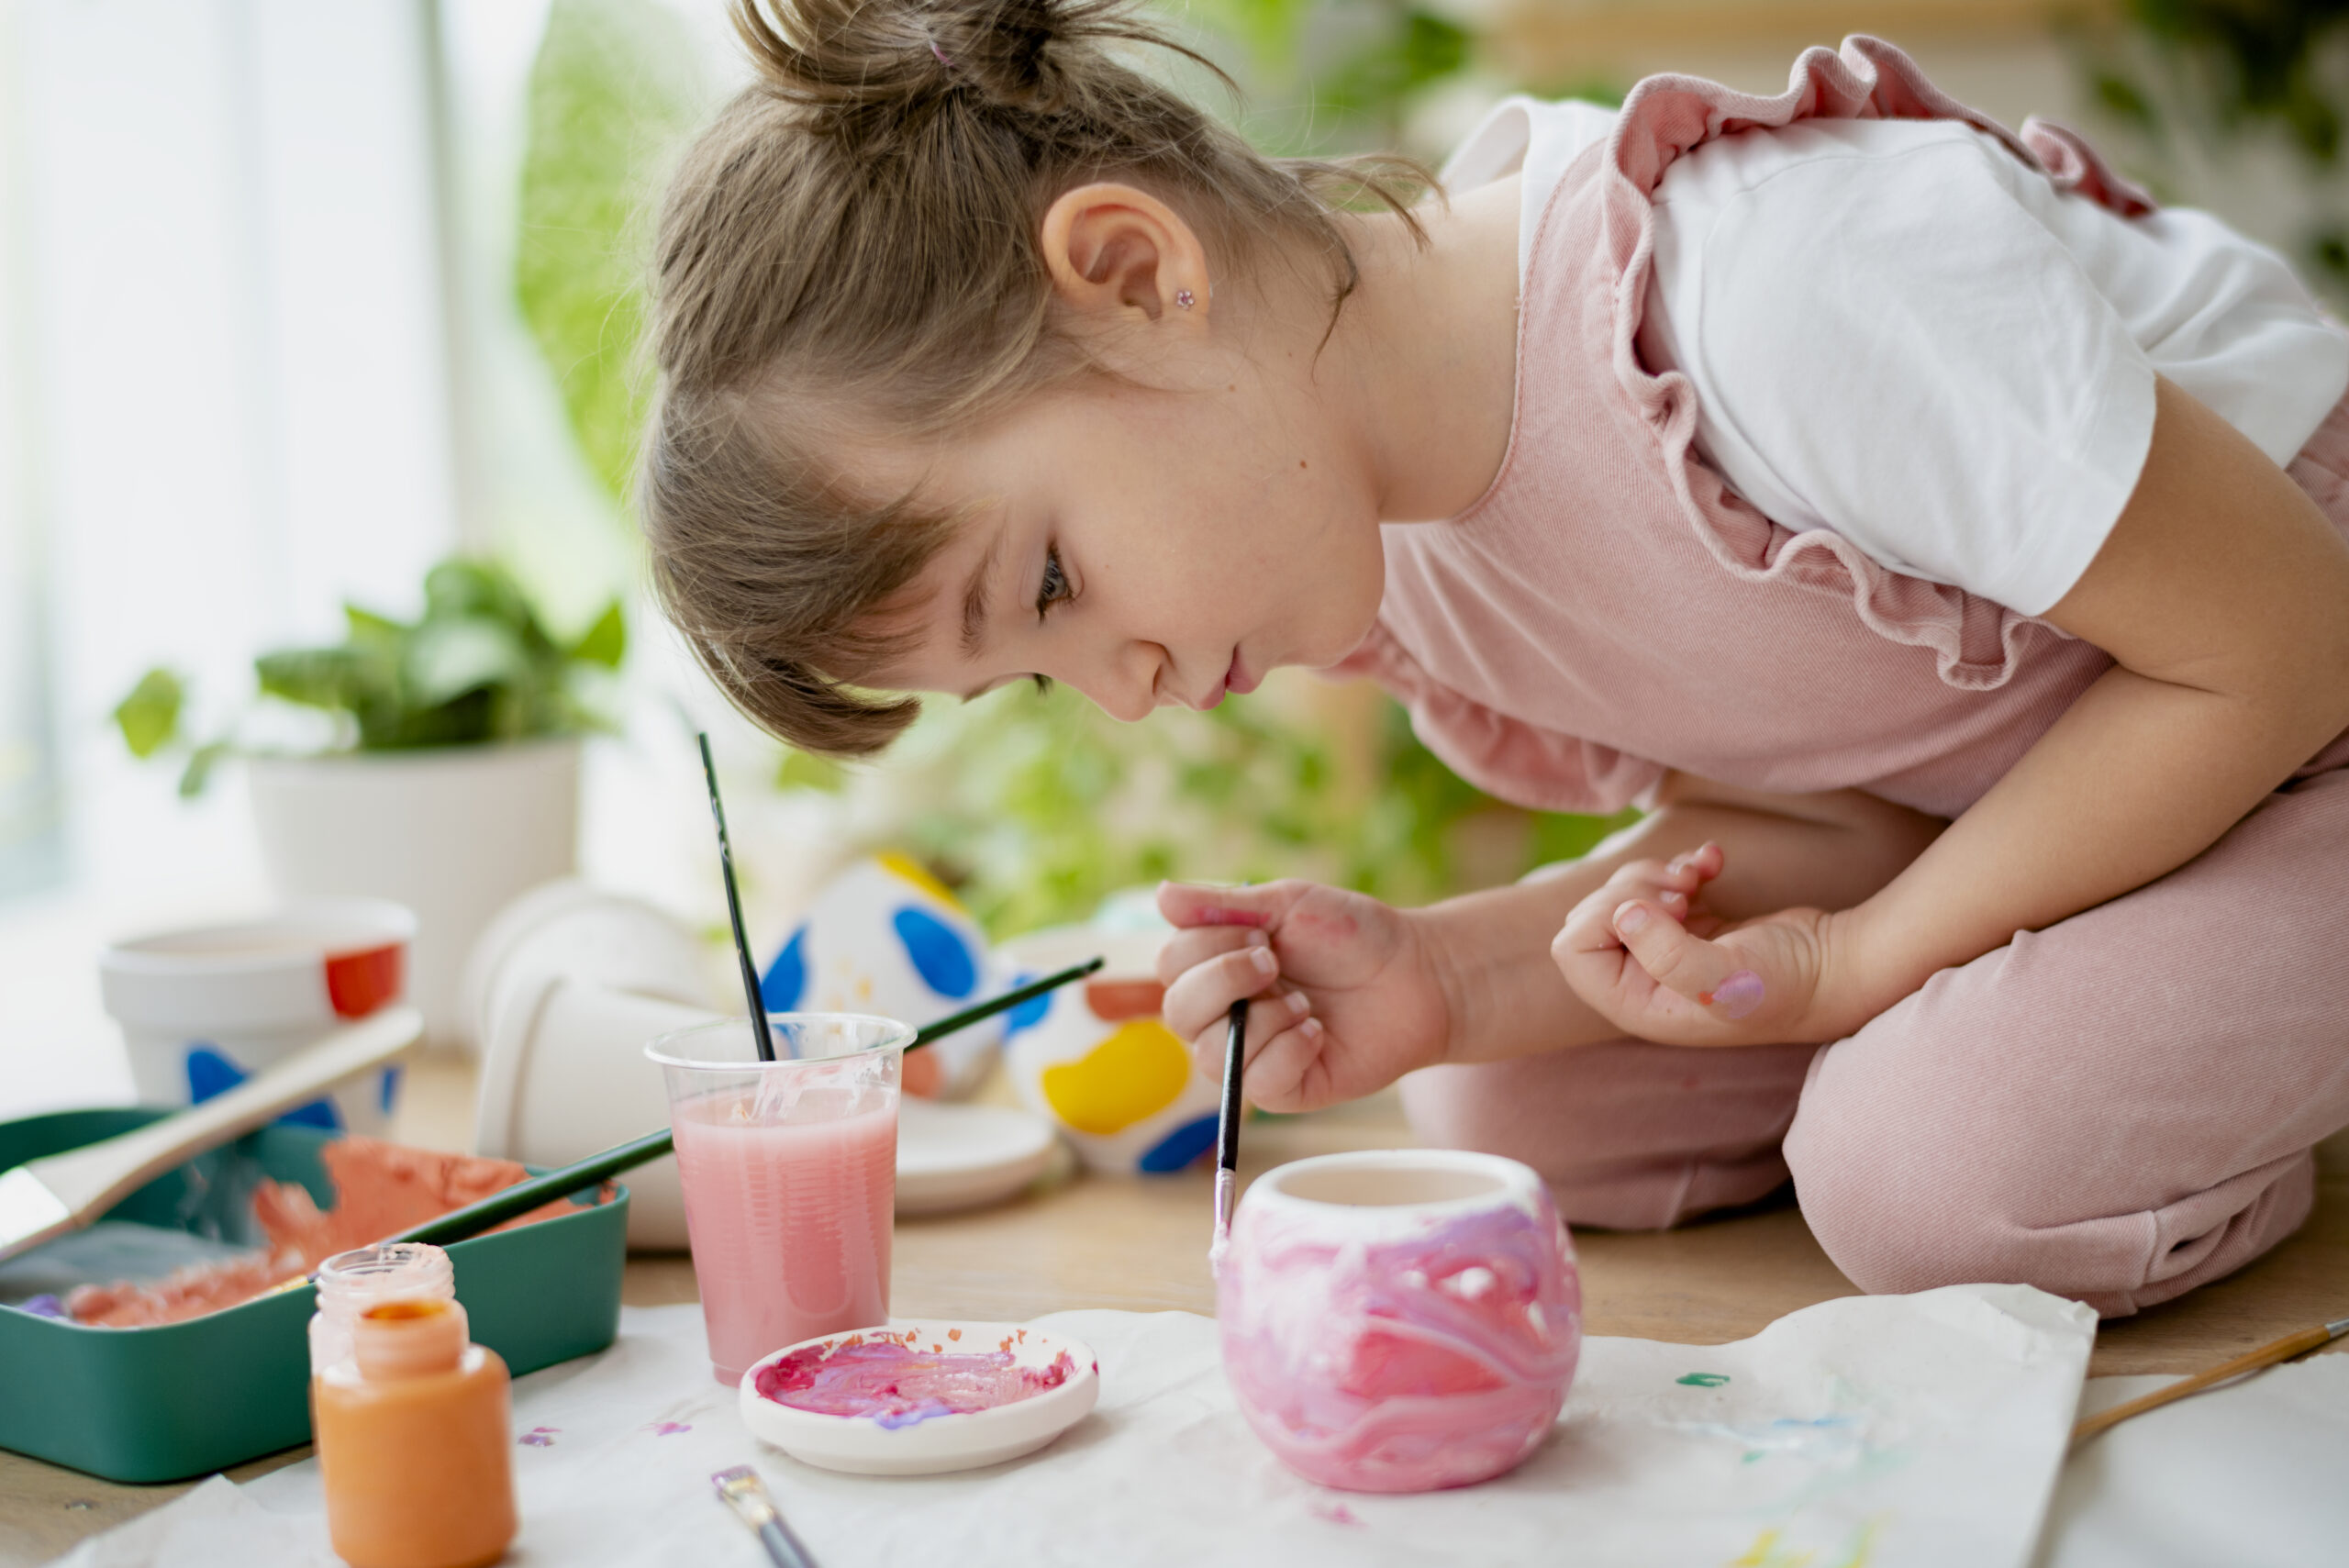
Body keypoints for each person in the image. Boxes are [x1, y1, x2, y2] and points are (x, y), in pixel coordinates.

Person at [641, 0, 2349, 1317]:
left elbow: (2285, 644)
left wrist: (1871, 960)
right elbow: (1834, 821)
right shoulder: (1391, 564)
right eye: (1031, 676)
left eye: (1055, 581)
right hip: (2075, 773)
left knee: (1929, 1170)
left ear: (1133, 270)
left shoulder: (1758, 290)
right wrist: (1456, 975)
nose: (1121, 686)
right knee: (1516, 1102)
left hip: (2302, 692)